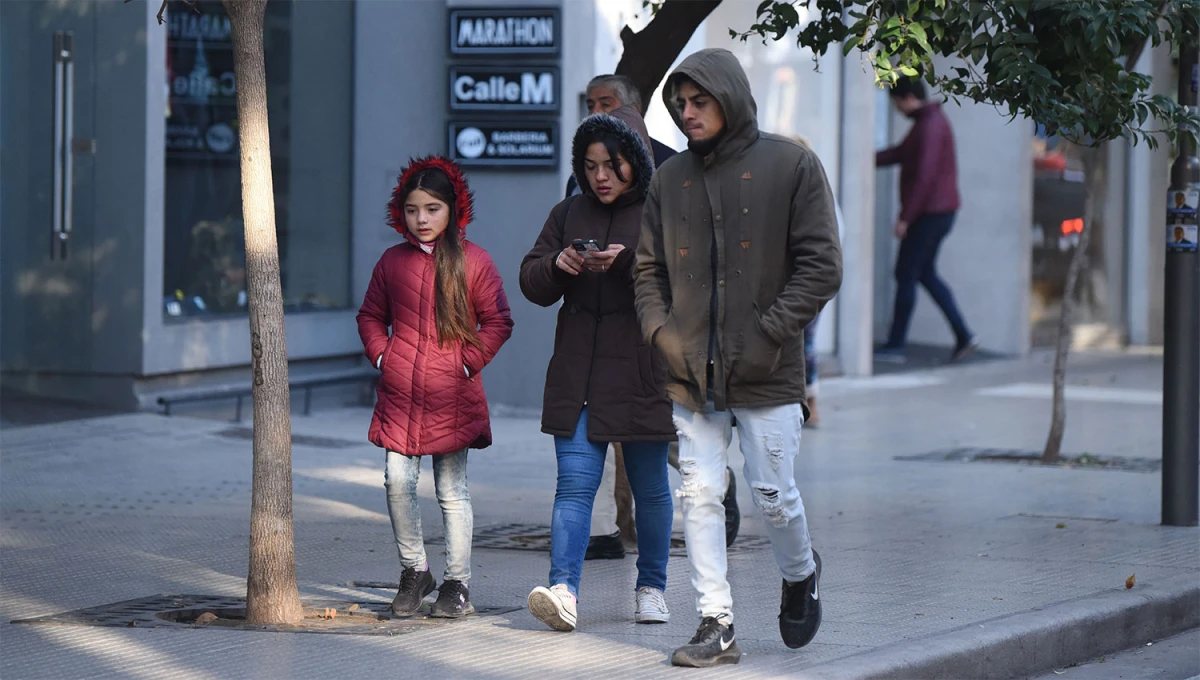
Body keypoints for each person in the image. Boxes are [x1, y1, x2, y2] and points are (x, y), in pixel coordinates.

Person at [635, 49, 842, 667]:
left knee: (773, 494)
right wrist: (661, 333)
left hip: (768, 367)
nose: (688, 113)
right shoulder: (668, 179)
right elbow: (647, 269)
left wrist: (769, 333)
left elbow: (822, 266)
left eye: (700, 102)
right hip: (688, 368)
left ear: (730, 97)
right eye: (681, 104)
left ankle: (801, 573)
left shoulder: (793, 164)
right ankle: (714, 622)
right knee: (699, 492)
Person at [565, 74, 741, 563]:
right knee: (589, 439)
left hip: (655, 335)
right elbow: (549, 251)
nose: (596, 110)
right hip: (595, 336)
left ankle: (716, 485)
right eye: (590, 102)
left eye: (607, 102)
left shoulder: (673, 167)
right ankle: (599, 532)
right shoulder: (580, 174)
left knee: (664, 435)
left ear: (634, 111)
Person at [520, 107, 676, 631]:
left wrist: (630, 263)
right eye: (589, 165)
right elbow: (531, 279)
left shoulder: (662, 211)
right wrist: (556, 266)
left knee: (652, 487)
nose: (600, 176)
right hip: (579, 373)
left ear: (636, 160)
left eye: (611, 164)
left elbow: (685, 286)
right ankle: (563, 589)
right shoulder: (567, 212)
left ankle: (652, 587)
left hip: (641, 370)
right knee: (574, 484)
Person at [357, 156, 514, 620]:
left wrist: (466, 365)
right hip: (401, 394)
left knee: (451, 490)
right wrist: (384, 356)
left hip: (453, 394)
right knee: (397, 482)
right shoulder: (391, 262)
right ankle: (414, 572)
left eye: (431, 208)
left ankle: (457, 583)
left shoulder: (475, 261)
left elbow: (499, 320)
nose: (421, 219)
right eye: (412, 209)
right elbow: (370, 316)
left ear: (452, 209)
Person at [875, 75, 978, 364]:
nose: (896, 109)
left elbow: (925, 176)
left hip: (930, 214)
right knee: (924, 274)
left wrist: (906, 217)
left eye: (896, 103)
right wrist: (863, 158)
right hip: (938, 212)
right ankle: (964, 334)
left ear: (908, 98)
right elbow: (900, 154)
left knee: (906, 273)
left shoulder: (930, 126)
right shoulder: (927, 123)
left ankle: (896, 346)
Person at [792, 135, 846, 429]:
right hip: (791, 286)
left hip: (807, 285)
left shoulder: (817, 197)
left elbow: (833, 249)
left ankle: (810, 402)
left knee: (806, 346)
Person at [565, 75, 677, 198]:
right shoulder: (578, 180)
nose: (594, 112)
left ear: (633, 111)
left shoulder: (670, 164)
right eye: (590, 106)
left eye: (605, 104)